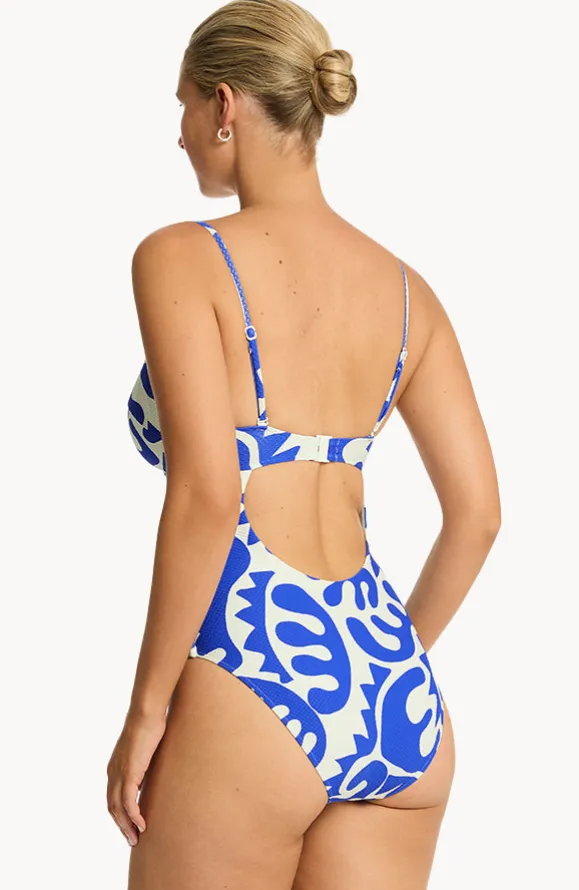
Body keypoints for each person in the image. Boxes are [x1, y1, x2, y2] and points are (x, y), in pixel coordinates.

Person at [106, 1, 501, 887]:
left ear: (224, 105)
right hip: (393, 689)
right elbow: (478, 514)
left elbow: (210, 493)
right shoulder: (410, 291)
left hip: (249, 678)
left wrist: (146, 711)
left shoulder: (180, 256)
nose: (179, 133)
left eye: (183, 105)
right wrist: (381, 666)